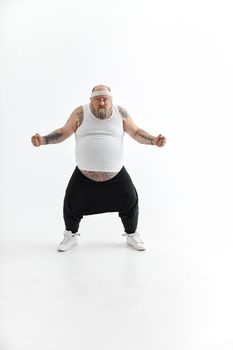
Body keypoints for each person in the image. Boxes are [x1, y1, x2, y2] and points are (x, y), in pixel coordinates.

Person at [31, 85, 166, 252]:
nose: (102, 102)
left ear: (111, 100)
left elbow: (137, 132)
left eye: (105, 99)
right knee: (71, 202)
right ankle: (70, 236)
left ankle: (131, 235)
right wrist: (43, 140)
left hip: (116, 174)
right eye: (98, 99)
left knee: (130, 200)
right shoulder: (80, 113)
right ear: (91, 100)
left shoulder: (120, 113)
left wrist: (154, 140)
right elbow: (64, 131)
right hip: (83, 174)